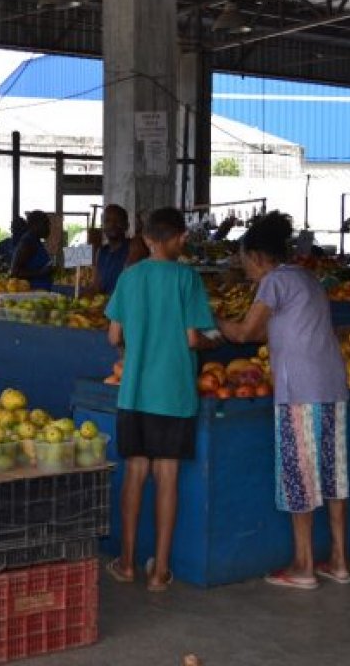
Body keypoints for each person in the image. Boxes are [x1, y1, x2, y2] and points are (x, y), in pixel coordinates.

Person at [219, 212, 350, 589]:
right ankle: (340, 562)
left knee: (300, 477)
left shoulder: (273, 281)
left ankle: (304, 565)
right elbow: (278, 331)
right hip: (333, 387)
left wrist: (210, 320)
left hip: (300, 392)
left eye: (245, 262)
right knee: (334, 477)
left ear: (259, 257)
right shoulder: (306, 278)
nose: (244, 270)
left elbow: (246, 332)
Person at [104, 207, 217, 592]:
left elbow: (113, 337)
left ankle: (127, 563)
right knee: (167, 476)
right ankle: (159, 572)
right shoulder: (188, 279)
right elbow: (192, 338)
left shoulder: (129, 278)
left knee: (135, 472)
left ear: (148, 238)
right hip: (174, 393)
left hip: (134, 391)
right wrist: (210, 339)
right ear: (180, 238)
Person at [92, 204, 143, 295]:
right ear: (103, 226)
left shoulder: (134, 246)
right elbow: (96, 286)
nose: (112, 224)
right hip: (104, 306)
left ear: (126, 225)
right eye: (107, 221)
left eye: (117, 220)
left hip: (125, 305)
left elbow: (128, 284)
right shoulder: (101, 252)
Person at [10, 210, 53, 290]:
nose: (48, 228)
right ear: (35, 225)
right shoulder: (27, 242)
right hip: (32, 293)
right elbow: (15, 272)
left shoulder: (36, 241)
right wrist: (41, 273)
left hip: (42, 293)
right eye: (46, 224)